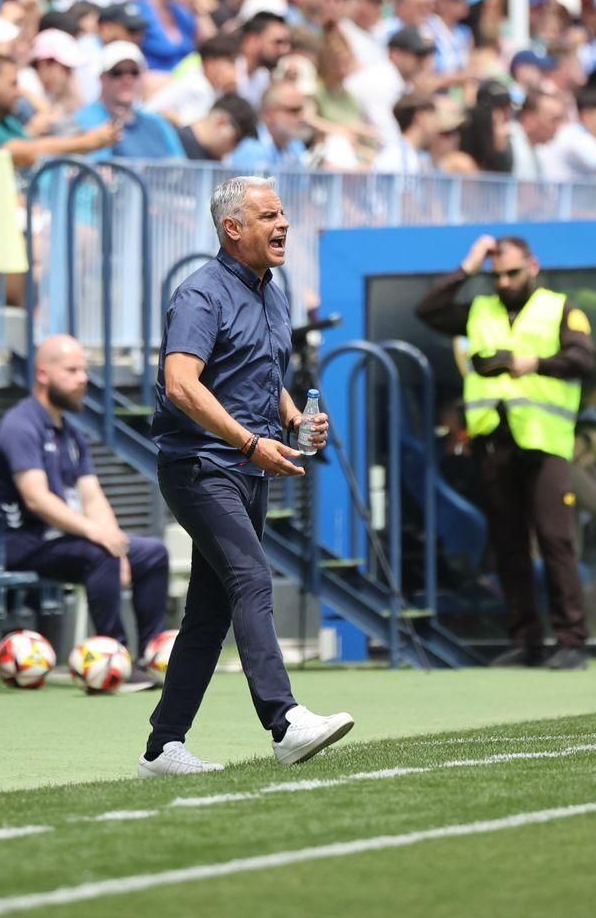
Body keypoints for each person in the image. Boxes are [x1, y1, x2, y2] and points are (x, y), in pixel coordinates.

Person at [142, 176, 353, 777]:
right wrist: (249, 440)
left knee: (208, 615)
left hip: (243, 464)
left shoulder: (271, 290)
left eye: (282, 213)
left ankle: (162, 748)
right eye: (267, 216)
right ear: (232, 228)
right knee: (251, 579)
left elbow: (257, 371)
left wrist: (293, 419)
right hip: (202, 465)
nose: (282, 224)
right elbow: (182, 383)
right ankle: (284, 721)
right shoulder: (199, 295)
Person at [414, 235, 595, 669]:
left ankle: (572, 641)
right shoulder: (481, 308)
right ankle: (526, 640)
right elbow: (428, 310)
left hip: (544, 442)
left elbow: (585, 359)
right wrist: (468, 267)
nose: (504, 281)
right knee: (508, 545)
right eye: (496, 275)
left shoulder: (561, 307)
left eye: (512, 272)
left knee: (556, 541)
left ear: (533, 265)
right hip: (495, 440)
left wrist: (528, 363)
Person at [0, 335, 170, 686]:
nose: (83, 378)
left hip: (64, 540)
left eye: (84, 370)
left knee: (152, 553)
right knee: (99, 553)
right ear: (43, 374)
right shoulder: (19, 425)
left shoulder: (71, 433)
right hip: (23, 542)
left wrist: (116, 542)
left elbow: (93, 497)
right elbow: (37, 499)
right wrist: (101, 540)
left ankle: (152, 653)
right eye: (72, 370)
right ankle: (114, 655)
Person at [74, 41, 185, 160]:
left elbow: (183, 168)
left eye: (134, 72)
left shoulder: (158, 124)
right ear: (102, 78)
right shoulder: (81, 122)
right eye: (117, 73)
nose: (127, 79)